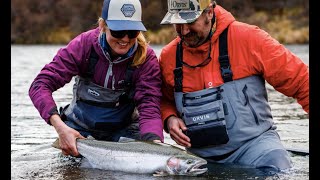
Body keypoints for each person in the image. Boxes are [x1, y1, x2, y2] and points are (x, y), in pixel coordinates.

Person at [159, 0, 309, 172]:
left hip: (257, 151)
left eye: (190, 22)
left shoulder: (249, 38)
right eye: (177, 24)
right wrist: (169, 118)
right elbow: (162, 100)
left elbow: (302, 82)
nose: (184, 31)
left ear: (209, 12)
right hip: (197, 162)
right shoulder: (168, 56)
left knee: (278, 170)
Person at [29, 0, 164, 157]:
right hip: (79, 129)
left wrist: (156, 147)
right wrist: (60, 127)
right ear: (103, 26)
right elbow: (40, 85)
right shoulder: (83, 45)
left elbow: (149, 107)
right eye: (118, 32)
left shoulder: (146, 59)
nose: (125, 39)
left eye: (132, 32)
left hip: (123, 131)